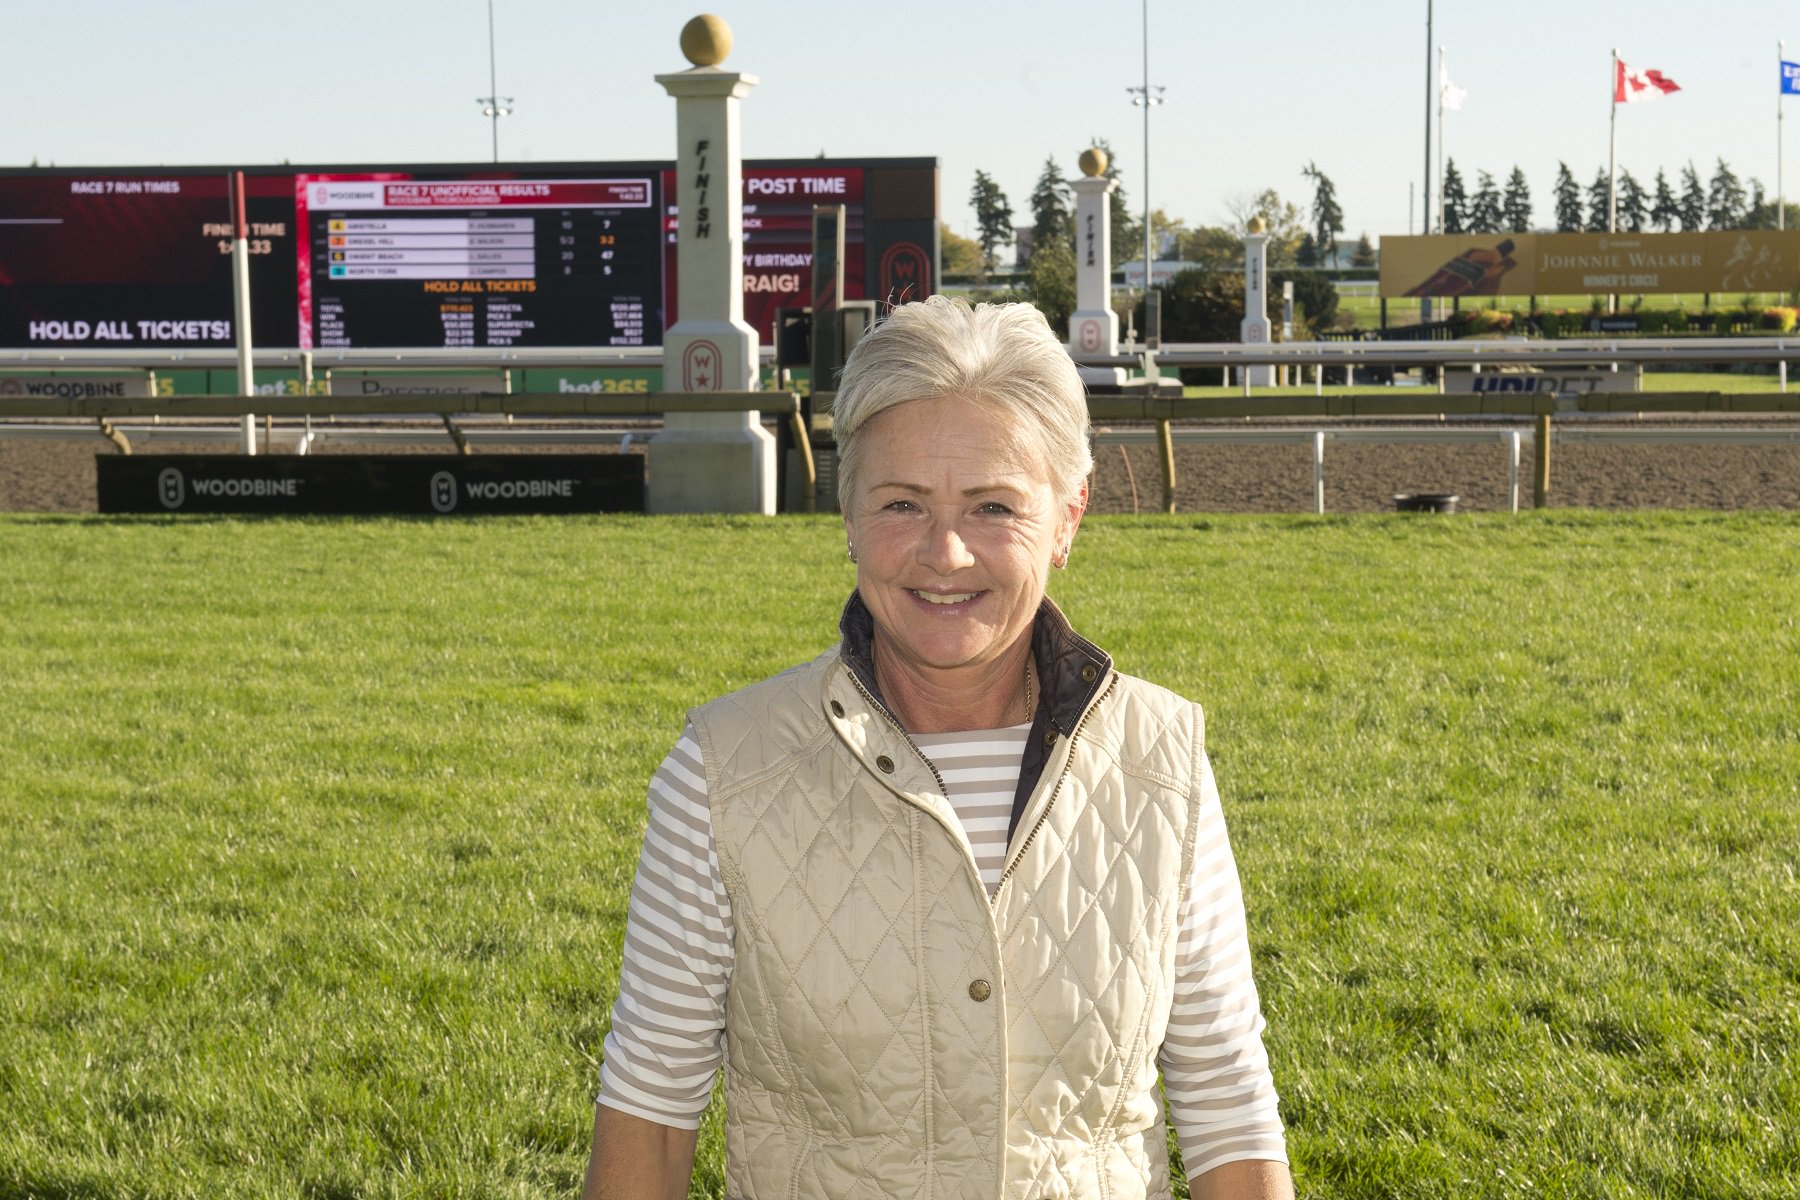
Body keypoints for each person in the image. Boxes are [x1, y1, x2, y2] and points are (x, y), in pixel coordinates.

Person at [583, 296, 1292, 1200]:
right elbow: (650, 1103)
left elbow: (1226, 1095)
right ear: (846, 514)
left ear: (1068, 519)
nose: (945, 552)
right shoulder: (721, 771)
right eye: (902, 503)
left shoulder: (1163, 762)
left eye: (994, 506)